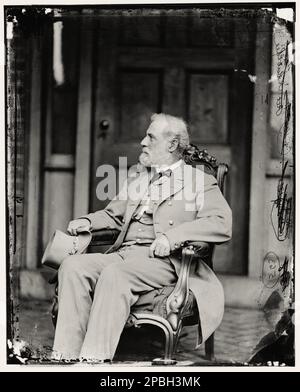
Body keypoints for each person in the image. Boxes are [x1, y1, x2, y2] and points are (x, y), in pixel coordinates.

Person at [51, 113, 232, 363]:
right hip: (124, 254)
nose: (142, 142)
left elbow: (221, 223)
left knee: (115, 275)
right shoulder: (139, 177)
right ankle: (65, 358)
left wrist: (173, 237)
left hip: (165, 261)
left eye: (150, 137)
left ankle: (93, 362)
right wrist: (88, 222)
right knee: (73, 266)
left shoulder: (200, 181)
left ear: (171, 144)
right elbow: (113, 216)